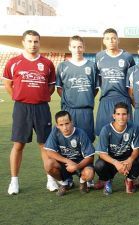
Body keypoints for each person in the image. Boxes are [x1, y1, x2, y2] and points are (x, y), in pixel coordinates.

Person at [3, 30, 57, 195]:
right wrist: (21, 98)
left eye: (35, 41)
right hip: (22, 108)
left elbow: (51, 86)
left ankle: (50, 179)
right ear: (23, 43)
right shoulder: (13, 62)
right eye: (29, 41)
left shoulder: (47, 64)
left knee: (45, 145)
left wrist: (39, 97)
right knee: (18, 144)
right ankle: (14, 181)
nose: (33, 44)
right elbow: (8, 85)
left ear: (39, 43)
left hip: (41, 108)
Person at [94, 102, 139, 195]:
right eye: (118, 114)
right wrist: (116, 163)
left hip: (127, 160)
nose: (121, 117)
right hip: (111, 160)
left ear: (128, 116)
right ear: (114, 116)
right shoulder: (106, 130)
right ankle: (107, 181)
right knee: (99, 165)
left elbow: (137, 148)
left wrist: (130, 160)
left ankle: (129, 180)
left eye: (124, 114)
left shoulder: (134, 128)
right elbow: (102, 153)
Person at [56, 35, 98, 143]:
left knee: (87, 140)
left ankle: (88, 160)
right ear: (69, 47)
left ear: (84, 48)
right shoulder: (62, 66)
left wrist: (85, 98)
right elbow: (59, 88)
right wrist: (70, 99)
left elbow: (95, 89)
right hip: (68, 110)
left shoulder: (92, 66)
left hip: (86, 110)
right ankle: (68, 161)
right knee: (68, 141)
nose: (77, 50)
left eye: (80, 47)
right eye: (74, 47)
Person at [95, 28, 135, 136]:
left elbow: (133, 80)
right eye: (108, 38)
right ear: (104, 41)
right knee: (104, 133)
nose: (111, 41)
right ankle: (103, 153)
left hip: (123, 98)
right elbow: (98, 79)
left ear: (118, 40)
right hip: (106, 99)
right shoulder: (99, 57)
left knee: (126, 133)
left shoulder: (128, 57)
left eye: (113, 38)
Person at [44, 111, 95, 196]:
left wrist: (76, 166)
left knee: (89, 173)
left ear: (72, 122)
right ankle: (64, 183)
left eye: (67, 123)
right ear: (57, 126)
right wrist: (67, 161)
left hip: (80, 164)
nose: (65, 127)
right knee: (48, 164)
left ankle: (83, 182)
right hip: (65, 165)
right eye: (61, 125)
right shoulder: (55, 132)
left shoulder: (81, 133)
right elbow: (49, 152)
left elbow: (90, 157)